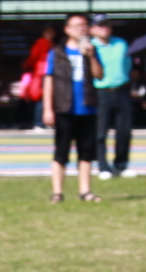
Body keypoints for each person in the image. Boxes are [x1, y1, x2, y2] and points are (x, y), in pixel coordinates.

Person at [44, 13, 103, 204]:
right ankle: (57, 192)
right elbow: (49, 80)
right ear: (67, 29)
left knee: (86, 152)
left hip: (87, 108)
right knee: (61, 152)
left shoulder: (91, 50)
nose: (81, 29)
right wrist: (48, 108)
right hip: (64, 108)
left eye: (84, 25)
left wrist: (91, 56)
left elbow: (99, 75)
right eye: (77, 26)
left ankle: (85, 191)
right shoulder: (57, 53)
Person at [92, 19, 133, 177]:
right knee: (100, 132)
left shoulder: (121, 43)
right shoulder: (91, 46)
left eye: (107, 25)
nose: (104, 28)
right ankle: (103, 166)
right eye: (100, 25)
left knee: (124, 130)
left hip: (121, 90)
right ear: (93, 28)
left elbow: (127, 65)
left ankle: (121, 164)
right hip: (101, 91)